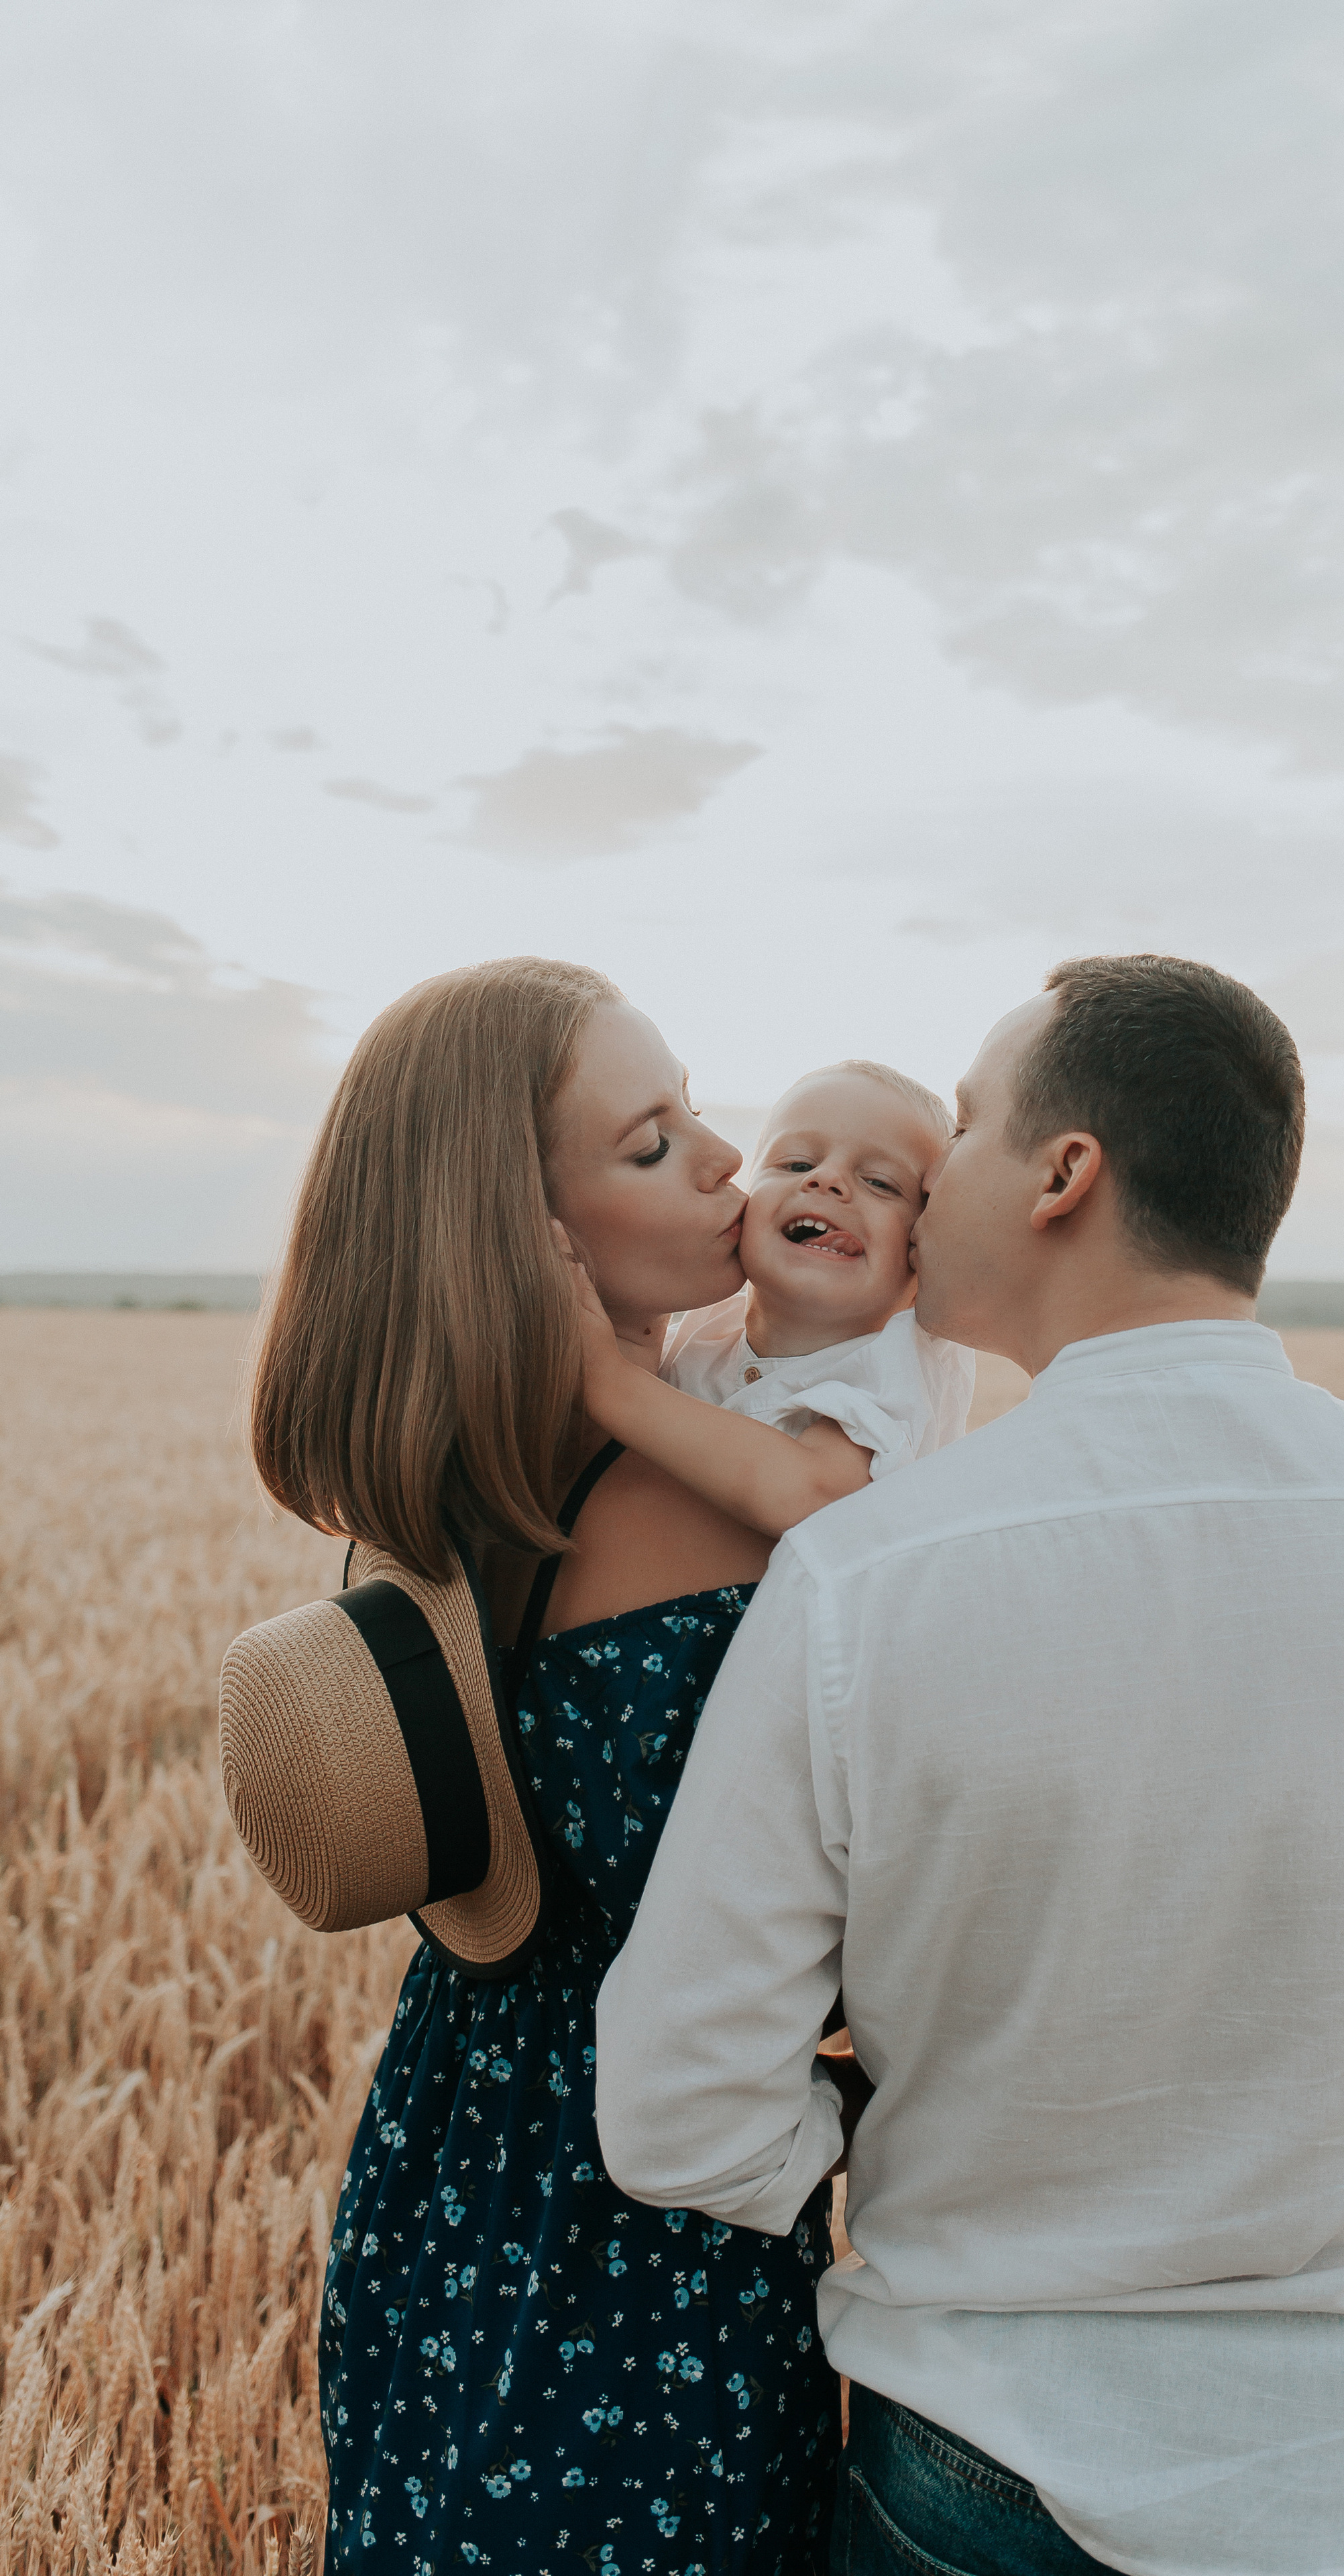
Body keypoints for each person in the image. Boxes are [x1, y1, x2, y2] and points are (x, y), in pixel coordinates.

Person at [594, 953, 1344, 2576]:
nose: (924, 1193)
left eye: (971, 1127)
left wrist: (895, 2125)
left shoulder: (870, 1574)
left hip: (989, 2471)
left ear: (1064, 1174)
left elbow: (675, 2111)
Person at [249, 959, 840, 2574]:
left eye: (696, 1112)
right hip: (633, 2219)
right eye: (651, 1144)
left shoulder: (464, 1474)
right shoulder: (698, 1504)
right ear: (530, 1237)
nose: (727, 1161)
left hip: (455, 2157)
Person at [570, 1059, 974, 1536]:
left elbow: (810, 1496)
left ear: (921, 1253)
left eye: (880, 1183)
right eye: (797, 1164)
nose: (826, 1180)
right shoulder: (708, 1326)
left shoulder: (893, 1369)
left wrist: (607, 1380)